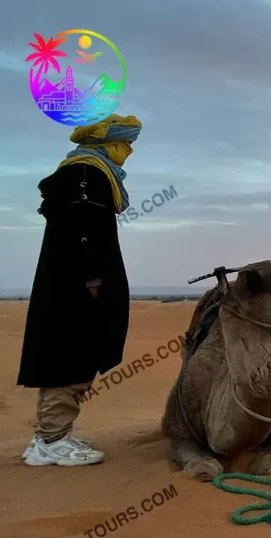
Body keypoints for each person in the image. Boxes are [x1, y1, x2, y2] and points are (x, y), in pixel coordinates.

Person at [18, 114, 143, 466]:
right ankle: (51, 441)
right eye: (125, 144)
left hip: (70, 284)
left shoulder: (80, 173)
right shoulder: (88, 174)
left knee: (68, 354)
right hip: (79, 287)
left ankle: (50, 435)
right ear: (108, 144)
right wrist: (94, 282)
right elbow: (84, 233)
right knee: (72, 356)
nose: (128, 152)